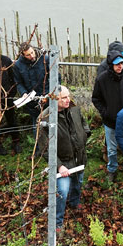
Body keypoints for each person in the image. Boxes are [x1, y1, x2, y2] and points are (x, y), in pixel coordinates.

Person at [37, 86, 89, 233]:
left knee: (77, 183)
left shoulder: (73, 108)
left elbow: (83, 122)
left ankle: (74, 203)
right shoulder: (45, 119)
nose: (68, 100)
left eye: (68, 96)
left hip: (79, 158)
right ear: (54, 100)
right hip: (63, 163)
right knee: (62, 191)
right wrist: (59, 166)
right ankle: (57, 222)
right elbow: (45, 149)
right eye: (63, 98)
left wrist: (85, 134)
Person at [91, 49, 123, 182]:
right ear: (111, 64)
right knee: (111, 150)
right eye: (117, 64)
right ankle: (112, 169)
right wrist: (105, 113)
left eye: (122, 63)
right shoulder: (101, 79)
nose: (120, 66)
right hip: (110, 122)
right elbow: (96, 99)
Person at [14, 42, 52, 128]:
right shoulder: (18, 65)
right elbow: (18, 82)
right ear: (22, 55)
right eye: (28, 55)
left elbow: (55, 77)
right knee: (36, 125)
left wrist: (51, 92)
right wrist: (23, 93)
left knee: (51, 123)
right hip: (32, 101)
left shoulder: (45, 59)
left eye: (32, 52)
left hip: (47, 97)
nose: (32, 56)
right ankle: (38, 141)